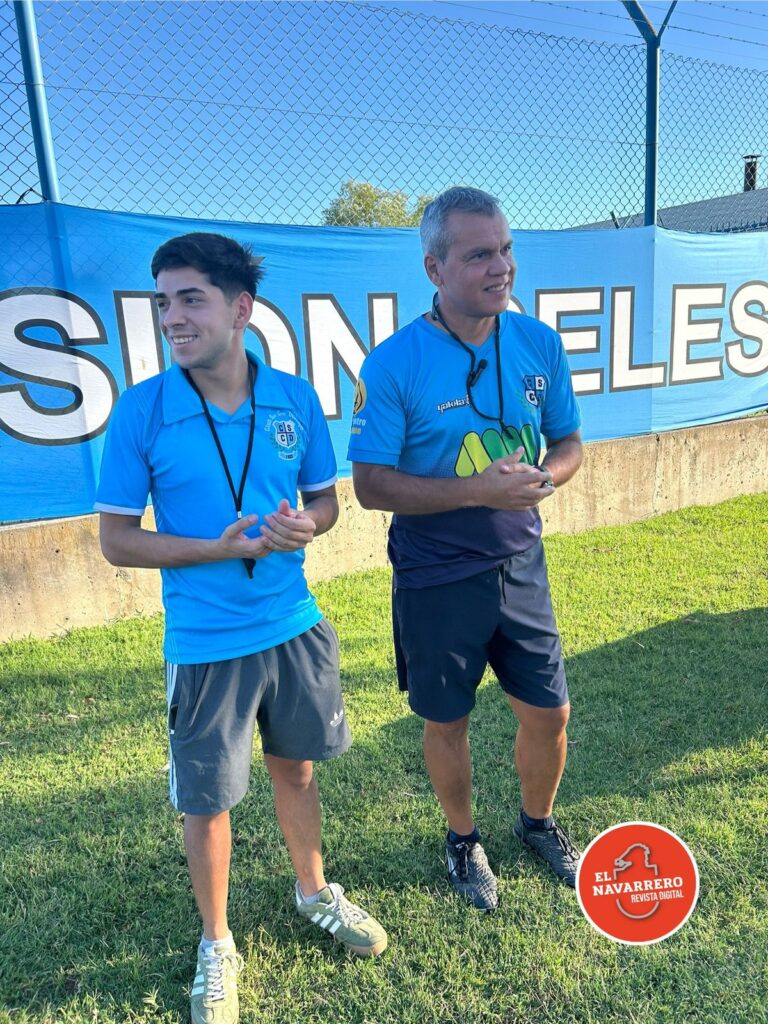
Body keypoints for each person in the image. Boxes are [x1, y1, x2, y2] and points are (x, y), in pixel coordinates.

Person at [95, 232, 387, 1024]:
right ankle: (217, 944)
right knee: (208, 802)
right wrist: (216, 548)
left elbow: (325, 502)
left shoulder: (293, 398)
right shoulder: (143, 410)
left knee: (298, 771)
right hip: (206, 645)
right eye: (163, 302)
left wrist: (308, 525)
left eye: (190, 299)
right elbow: (117, 539)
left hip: (293, 625)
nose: (172, 317)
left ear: (241, 309)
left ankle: (314, 892)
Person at [348, 187, 583, 912]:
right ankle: (462, 839)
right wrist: (477, 490)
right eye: (480, 254)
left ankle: (537, 824)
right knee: (446, 720)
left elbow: (570, 444)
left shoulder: (539, 342)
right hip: (436, 575)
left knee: (549, 714)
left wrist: (544, 478)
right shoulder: (393, 364)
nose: (501, 266)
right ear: (435, 268)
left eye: (506, 249)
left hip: (522, 564)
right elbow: (370, 485)